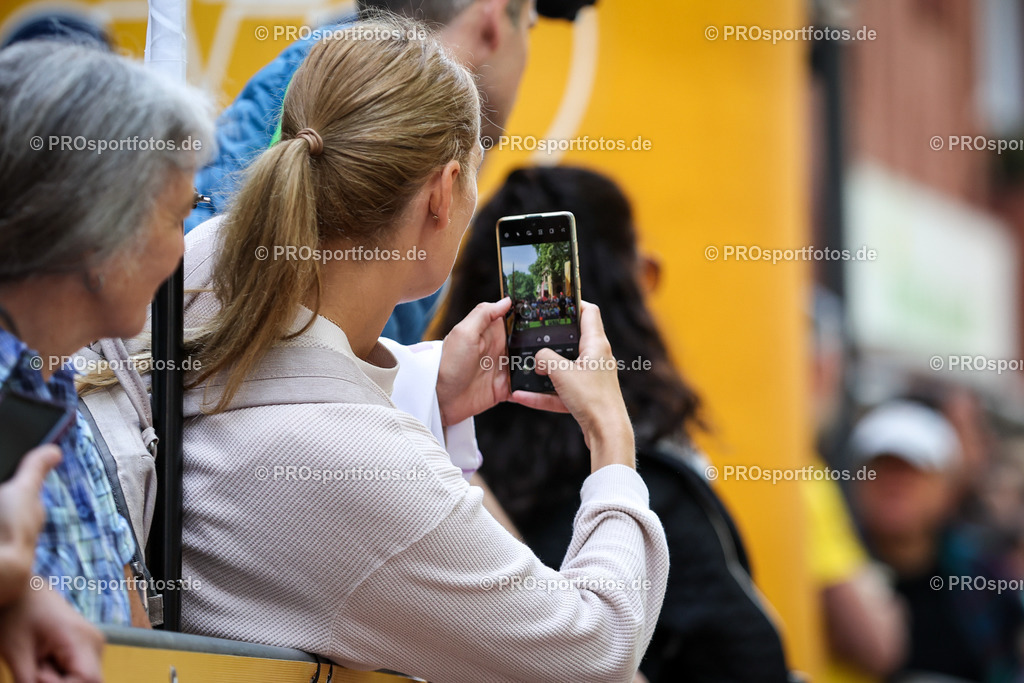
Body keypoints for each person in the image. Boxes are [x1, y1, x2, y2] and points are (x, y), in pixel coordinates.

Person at [164, 20, 666, 681]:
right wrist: (612, 441)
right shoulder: (367, 472)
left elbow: (283, 383)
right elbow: (596, 652)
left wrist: (427, 388)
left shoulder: (202, 262)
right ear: (441, 191)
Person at [432, 166, 796, 682]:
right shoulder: (652, 488)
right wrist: (612, 434)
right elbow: (747, 661)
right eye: (643, 273)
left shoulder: (438, 469)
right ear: (618, 299)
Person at [0, 36, 213, 659]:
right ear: (98, 231)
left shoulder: (55, 385)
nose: (182, 251)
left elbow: (131, 646)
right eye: (177, 216)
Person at [187, 0, 540, 345]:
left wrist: (429, 388)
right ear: (493, 17)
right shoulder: (332, 101)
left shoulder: (323, 78)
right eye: (528, 24)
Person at [850, 400, 1024, 682]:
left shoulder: (984, 581)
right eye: (881, 468)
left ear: (947, 487)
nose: (896, 484)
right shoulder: (827, 578)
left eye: (913, 471)